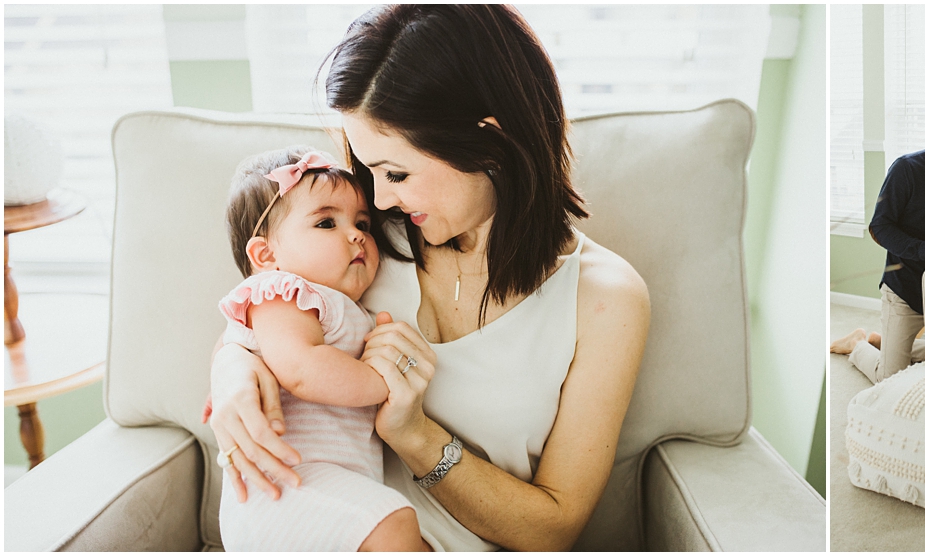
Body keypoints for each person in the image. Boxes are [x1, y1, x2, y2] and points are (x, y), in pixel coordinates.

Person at [207, 5, 651, 552]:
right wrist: (231, 366)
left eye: (397, 173)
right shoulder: (365, 241)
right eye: (369, 170)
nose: (380, 197)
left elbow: (553, 530)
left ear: (488, 141)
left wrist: (413, 433)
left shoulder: (604, 297)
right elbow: (277, 309)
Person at [216, 147, 428, 551]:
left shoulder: (344, 306)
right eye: (326, 222)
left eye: (363, 223)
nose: (356, 235)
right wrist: (383, 381)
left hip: (324, 483)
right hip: (283, 485)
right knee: (393, 525)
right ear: (267, 255)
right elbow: (301, 368)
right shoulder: (279, 294)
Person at [830, 126, 925, 383]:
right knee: (889, 378)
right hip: (904, 288)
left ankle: (885, 343)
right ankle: (858, 344)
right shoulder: (906, 169)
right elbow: (879, 227)